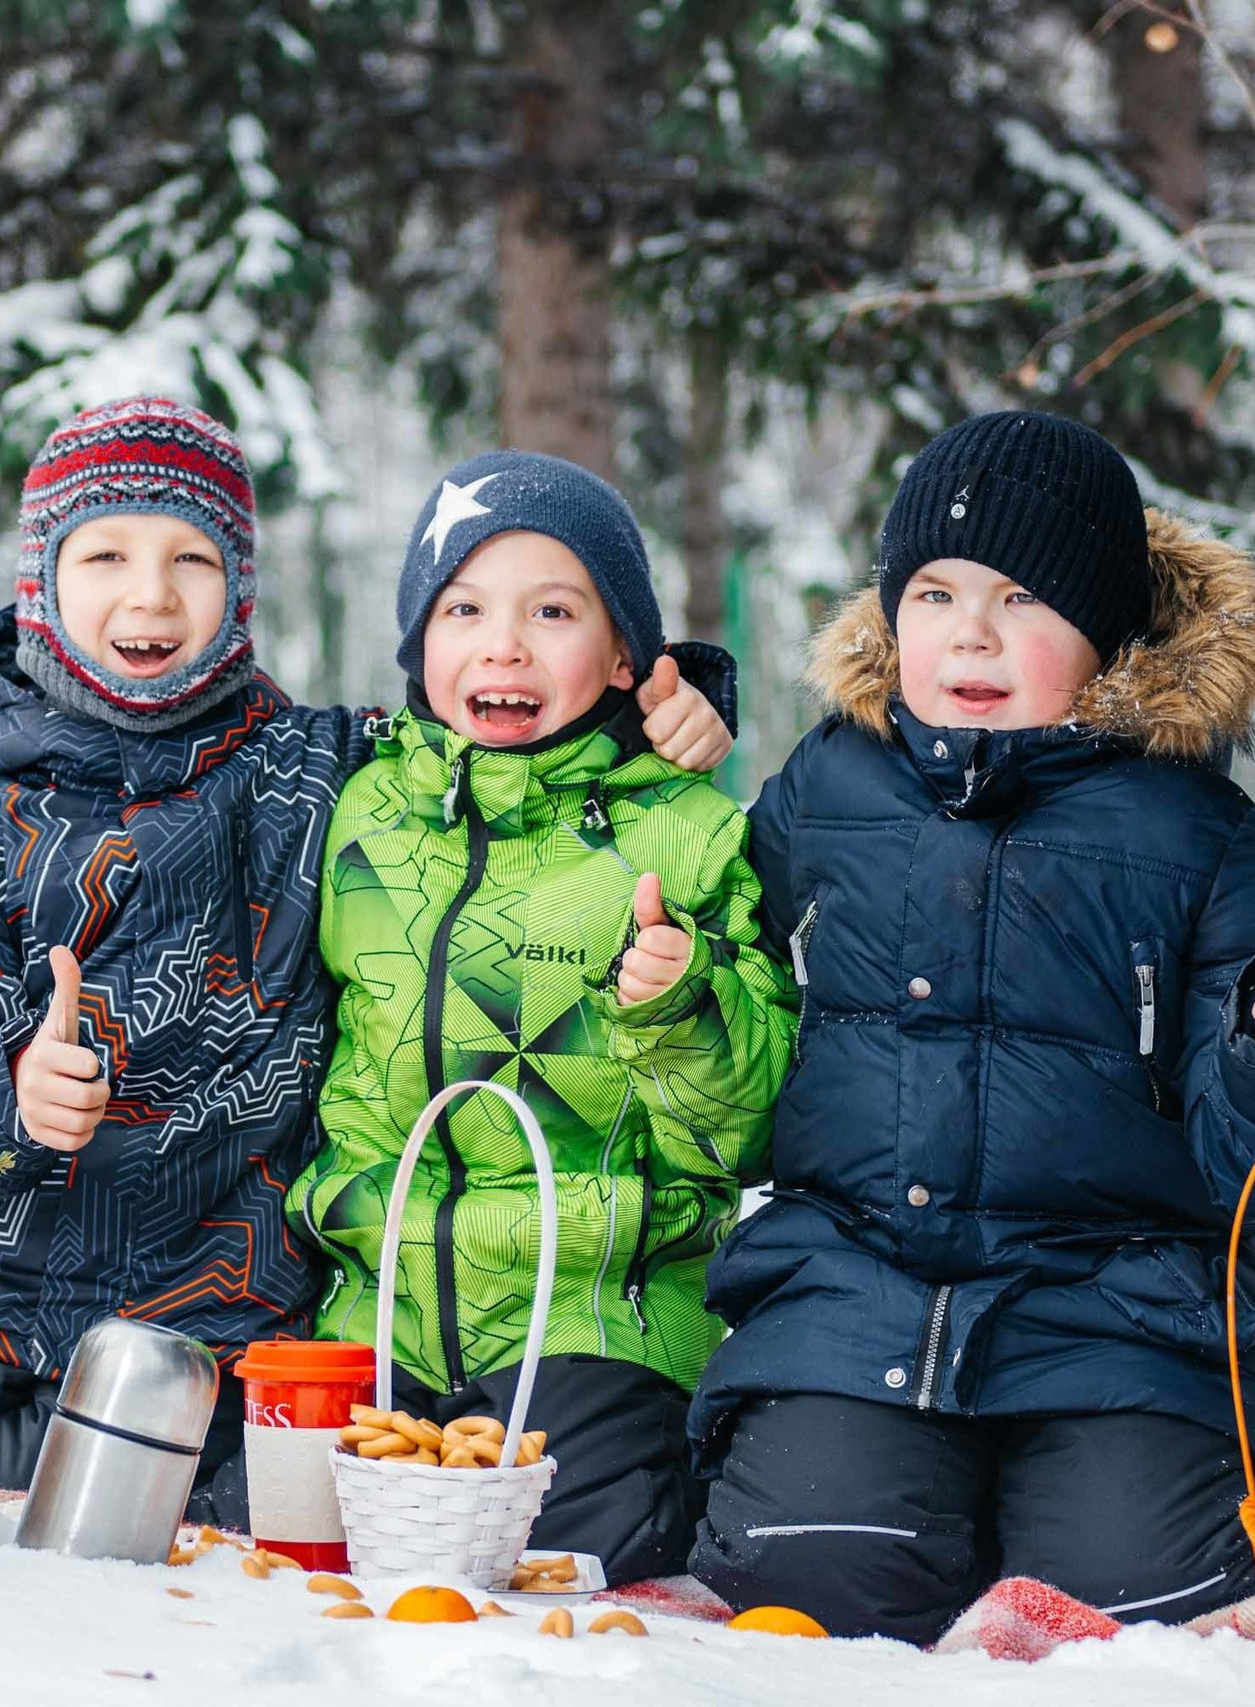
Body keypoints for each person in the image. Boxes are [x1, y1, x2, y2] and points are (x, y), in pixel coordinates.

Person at [0, 400, 734, 1515]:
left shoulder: (325, 770)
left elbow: (498, 738)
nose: (151, 593)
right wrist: (10, 1085)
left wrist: (668, 703)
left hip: (223, 1331)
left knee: (208, 1522)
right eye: (106, 555)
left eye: (192, 558)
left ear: (240, 589)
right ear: (41, 582)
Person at [686, 411, 1255, 1642]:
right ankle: (906, 1489)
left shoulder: (1203, 839)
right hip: (857, 1292)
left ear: (1104, 632)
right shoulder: (824, 789)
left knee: (1139, 1602)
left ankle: (1213, 1449)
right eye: (935, 594)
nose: (970, 631)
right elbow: (721, 968)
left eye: (1021, 599)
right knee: (811, 1580)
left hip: (1117, 1318)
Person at [287, 451, 796, 1583]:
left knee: (565, 1551)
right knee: (285, 1539)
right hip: (374, 1313)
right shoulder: (359, 808)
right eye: (462, 609)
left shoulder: (686, 836)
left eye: (553, 612)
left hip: (592, 1317)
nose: (503, 646)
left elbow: (748, 1132)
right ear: (418, 646)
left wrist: (683, 1004)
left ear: (625, 658)